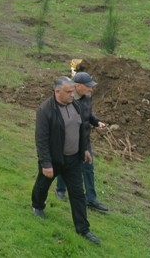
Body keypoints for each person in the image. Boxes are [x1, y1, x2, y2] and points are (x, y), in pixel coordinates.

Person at [32, 76, 101, 245]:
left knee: (78, 194)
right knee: (43, 185)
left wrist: (84, 149)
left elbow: (81, 129)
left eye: (72, 91)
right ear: (57, 91)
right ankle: (37, 206)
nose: (72, 94)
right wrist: (46, 163)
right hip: (54, 159)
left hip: (73, 160)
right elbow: (41, 139)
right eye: (68, 92)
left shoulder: (75, 105)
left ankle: (83, 229)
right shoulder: (45, 110)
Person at [54, 72, 110, 212]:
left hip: (84, 139)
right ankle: (60, 190)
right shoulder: (67, 98)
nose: (91, 89)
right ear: (77, 86)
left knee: (88, 168)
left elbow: (89, 114)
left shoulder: (87, 97)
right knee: (65, 164)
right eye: (88, 86)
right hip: (70, 139)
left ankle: (91, 199)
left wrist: (96, 122)